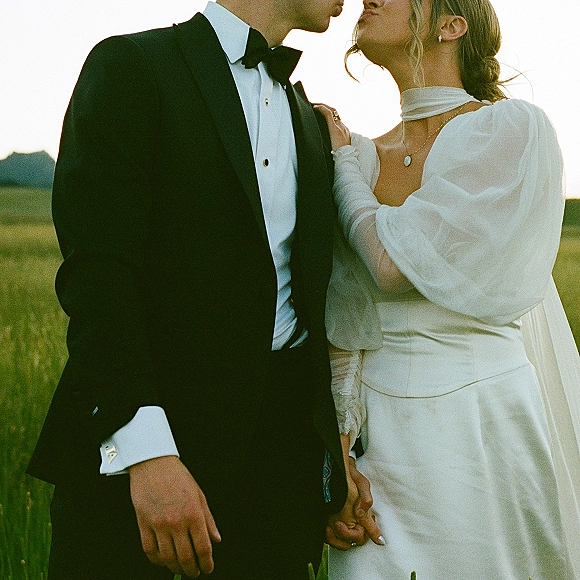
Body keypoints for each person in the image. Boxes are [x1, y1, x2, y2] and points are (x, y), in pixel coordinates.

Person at [26, 1, 382, 578]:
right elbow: (99, 277)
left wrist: (328, 467)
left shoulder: (309, 121)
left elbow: (307, 307)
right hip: (142, 477)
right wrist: (147, 454)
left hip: (273, 491)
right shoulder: (132, 66)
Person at [316, 0, 580, 577]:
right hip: (377, 447)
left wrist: (339, 172)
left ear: (451, 25)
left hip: (482, 428)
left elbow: (390, 264)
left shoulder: (510, 132)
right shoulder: (358, 153)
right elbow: (345, 313)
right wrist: (336, 456)